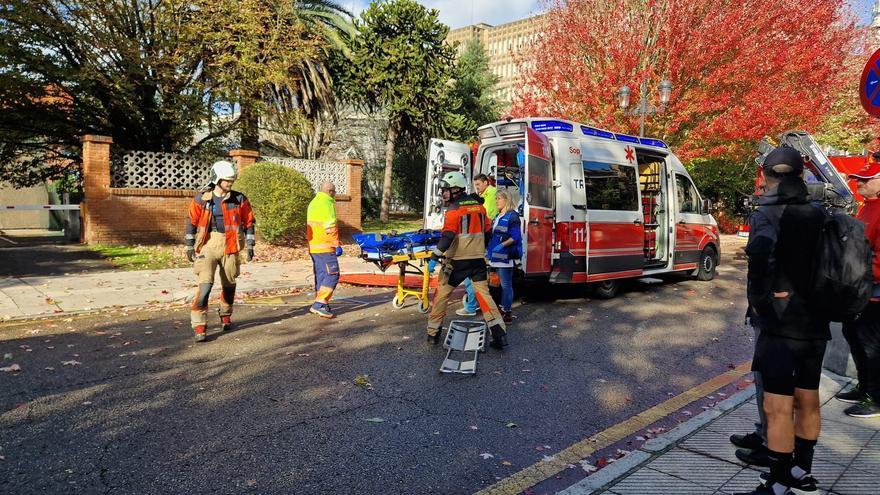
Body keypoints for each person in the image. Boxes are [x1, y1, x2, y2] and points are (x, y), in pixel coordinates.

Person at [736, 146, 829, 495]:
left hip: (781, 325)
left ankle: (776, 483)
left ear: (767, 176)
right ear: (801, 174)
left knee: (777, 405)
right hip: (816, 324)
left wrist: (760, 304)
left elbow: (759, 259)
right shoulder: (819, 212)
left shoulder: (768, 213)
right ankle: (803, 468)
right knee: (808, 398)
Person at [427, 171, 508, 349]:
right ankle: (499, 334)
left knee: (442, 294)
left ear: (456, 189)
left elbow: (447, 236)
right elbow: (488, 231)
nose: (443, 193)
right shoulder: (480, 208)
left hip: (456, 262)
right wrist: (481, 249)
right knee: (485, 297)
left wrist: (434, 257)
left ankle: (433, 334)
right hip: (478, 261)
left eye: (446, 190)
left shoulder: (454, 209)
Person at [185, 160, 256, 342]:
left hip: (230, 243)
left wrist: (250, 245)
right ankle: (199, 326)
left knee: (229, 284)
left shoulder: (239, 199)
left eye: (231, 181)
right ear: (216, 179)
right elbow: (191, 221)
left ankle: (225, 314)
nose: (230, 184)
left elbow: (249, 222)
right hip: (208, 244)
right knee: (205, 286)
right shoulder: (202, 199)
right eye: (226, 181)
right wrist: (189, 245)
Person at [837, 156, 880, 418]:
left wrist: (864, 277)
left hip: (873, 289)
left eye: (865, 180)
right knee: (854, 336)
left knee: (871, 344)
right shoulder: (867, 206)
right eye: (858, 179)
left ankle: (875, 397)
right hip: (858, 285)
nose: (859, 184)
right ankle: (865, 387)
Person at [457, 174, 499, 317]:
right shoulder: (484, 195)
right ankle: (476, 305)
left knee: (473, 275)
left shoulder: (491, 194)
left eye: (479, 185)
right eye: (476, 185)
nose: (477, 188)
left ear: (486, 183)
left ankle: (473, 306)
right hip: (478, 241)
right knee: (476, 276)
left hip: (480, 241)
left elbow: (486, 215)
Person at [307, 181, 344, 319]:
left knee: (321, 275)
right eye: (334, 192)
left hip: (314, 247)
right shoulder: (327, 204)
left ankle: (321, 302)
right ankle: (320, 303)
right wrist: (337, 245)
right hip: (325, 246)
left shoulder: (314, 203)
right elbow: (330, 227)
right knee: (332, 274)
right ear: (330, 192)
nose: (334, 195)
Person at [485, 190, 522, 324]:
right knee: (496, 285)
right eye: (496, 199)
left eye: (499, 199)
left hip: (505, 257)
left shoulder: (513, 216)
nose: (496, 201)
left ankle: (507, 312)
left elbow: (515, 236)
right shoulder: (498, 215)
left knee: (506, 285)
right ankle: (499, 308)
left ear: (506, 199)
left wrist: (502, 245)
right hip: (495, 257)